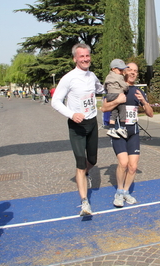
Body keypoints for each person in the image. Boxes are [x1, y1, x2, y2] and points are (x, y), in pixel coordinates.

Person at [51, 43, 104, 216]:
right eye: (81, 56)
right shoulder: (69, 78)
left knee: (93, 161)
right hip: (77, 126)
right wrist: (72, 114)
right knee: (80, 163)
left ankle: (83, 174)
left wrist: (111, 88)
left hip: (92, 123)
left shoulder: (92, 75)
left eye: (87, 56)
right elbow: (55, 101)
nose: (85, 59)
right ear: (75, 59)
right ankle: (84, 203)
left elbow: (99, 88)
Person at [101, 62, 153, 207]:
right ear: (124, 71)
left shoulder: (138, 91)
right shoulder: (116, 87)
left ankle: (125, 192)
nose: (132, 72)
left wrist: (143, 102)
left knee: (133, 167)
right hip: (118, 131)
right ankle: (118, 192)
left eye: (135, 71)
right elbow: (103, 108)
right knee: (123, 163)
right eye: (130, 69)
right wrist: (118, 100)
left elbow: (150, 114)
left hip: (133, 132)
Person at [104, 59, 129, 139]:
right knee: (122, 111)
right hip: (118, 94)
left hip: (110, 95)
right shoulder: (119, 77)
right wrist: (126, 88)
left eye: (122, 70)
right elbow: (124, 86)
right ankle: (122, 128)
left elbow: (104, 86)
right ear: (113, 68)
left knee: (113, 112)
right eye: (120, 70)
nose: (122, 72)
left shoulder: (108, 76)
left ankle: (111, 128)